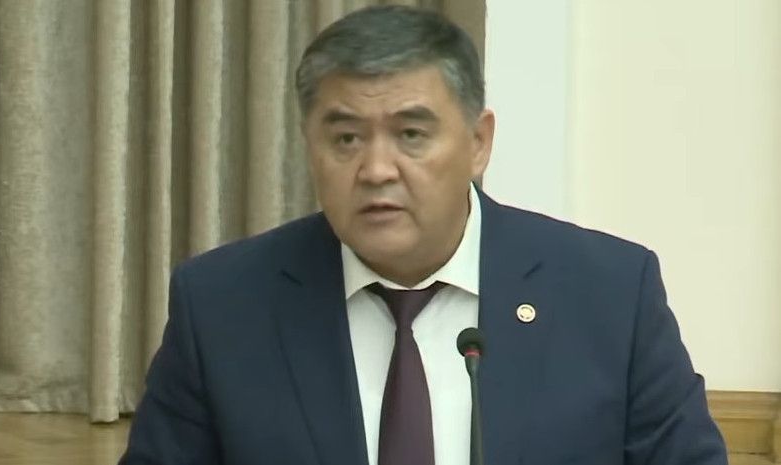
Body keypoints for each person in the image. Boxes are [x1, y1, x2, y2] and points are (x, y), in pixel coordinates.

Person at [119, 5, 727, 465]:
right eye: (346, 138)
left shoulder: (610, 294)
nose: (376, 169)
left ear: (478, 143)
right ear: (309, 147)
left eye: (411, 135)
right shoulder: (222, 305)